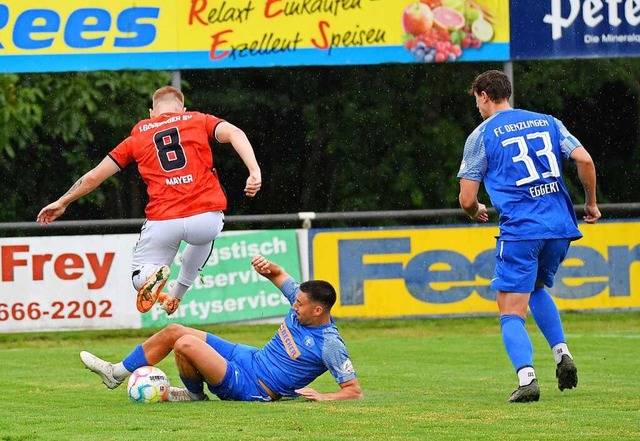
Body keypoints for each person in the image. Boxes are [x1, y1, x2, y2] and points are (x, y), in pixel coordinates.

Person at [36, 86, 261, 315]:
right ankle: (176, 295)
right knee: (205, 237)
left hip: (164, 220)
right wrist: (254, 171)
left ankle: (152, 274)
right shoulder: (198, 119)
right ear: (182, 109)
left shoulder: (138, 136)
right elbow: (235, 133)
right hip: (206, 217)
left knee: (138, 277)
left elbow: (94, 176)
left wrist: (63, 201)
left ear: (152, 112)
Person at [457, 70, 601, 403]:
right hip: (560, 227)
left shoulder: (481, 135)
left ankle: (527, 379)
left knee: (510, 309)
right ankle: (561, 352)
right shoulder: (548, 122)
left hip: (522, 229)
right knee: (536, 288)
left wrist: (475, 208)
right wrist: (590, 202)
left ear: (483, 95)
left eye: (476, 99)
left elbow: (466, 198)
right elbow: (584, 158)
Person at [79, 254, 363, 402]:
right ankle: (115, 373)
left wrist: (324, 396)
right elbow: (277, 273)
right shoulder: (301, 300)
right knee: (175, 331)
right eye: (295, 300)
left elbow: (353, 390)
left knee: (186, 345)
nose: (293, 305)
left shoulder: (330, 344)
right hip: (249, 357)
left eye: (299, 305)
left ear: (318, 310)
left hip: (254, 387)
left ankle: (193, 395)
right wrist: (265, 266)